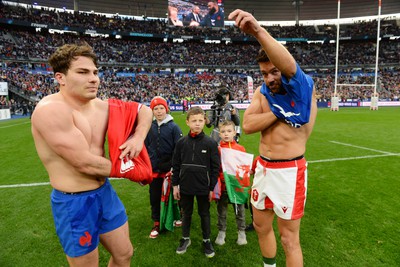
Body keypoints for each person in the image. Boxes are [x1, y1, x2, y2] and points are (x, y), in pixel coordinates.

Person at [31, 43, 153, 266]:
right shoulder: (50, 110)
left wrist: (137, 137)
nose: (94, 78)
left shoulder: (100, 106)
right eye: (83, 72)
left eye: (95, 72)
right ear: (61, 77)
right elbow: (84, 163)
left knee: (124, 254)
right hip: (73, 202)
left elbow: (144, 110)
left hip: (104, 192)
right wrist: (136, 170)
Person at [228, 10, 317, 267]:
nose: (269, 78)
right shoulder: (263, 91)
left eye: (274, 72)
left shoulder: (302, 86)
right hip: (263, 168)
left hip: (290, 170)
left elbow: (290, 68)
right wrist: (278, 113)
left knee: (289, 238)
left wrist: (257, 30)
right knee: (260, 225)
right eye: (264, 73)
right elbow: (247, 124)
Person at [172, 106, 220, 258]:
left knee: (204, 214)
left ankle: (206, 240)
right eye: (194, 121)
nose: (197, 124)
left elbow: (215, 168)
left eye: (201, 120)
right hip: (185, 185)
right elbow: (176, 165)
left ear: (205, 121)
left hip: (203, 187)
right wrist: (175, 185)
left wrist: (212, 188)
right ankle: (185, 238)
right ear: (187, 122)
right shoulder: (181, 142)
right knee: (186, 213)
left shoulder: (211, 143)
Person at [145, 96, 183, 239]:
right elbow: (145, 146)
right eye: (156, 109)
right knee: (154, 197)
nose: (159, 111)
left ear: (166, 109)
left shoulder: (174, 127)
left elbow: (178, 149)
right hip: (154, 170)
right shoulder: (150, 127)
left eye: (161, 108)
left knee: (174, 196)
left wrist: (174, 166)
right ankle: (156, 222)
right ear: (152, 111)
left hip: (170, 170)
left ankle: (176, 216)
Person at [214, 120, 247, 246]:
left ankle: (241, 232)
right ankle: (221, 232)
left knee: (239, 210)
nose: (226, 134)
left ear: (234, 132)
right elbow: (216, 168)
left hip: (236, 185)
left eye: (229, 131)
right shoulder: (217, 149)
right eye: (223, 132)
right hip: (222, 186)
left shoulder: (240, 149)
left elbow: (244, 167)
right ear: (219, 134)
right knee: (221, 210)